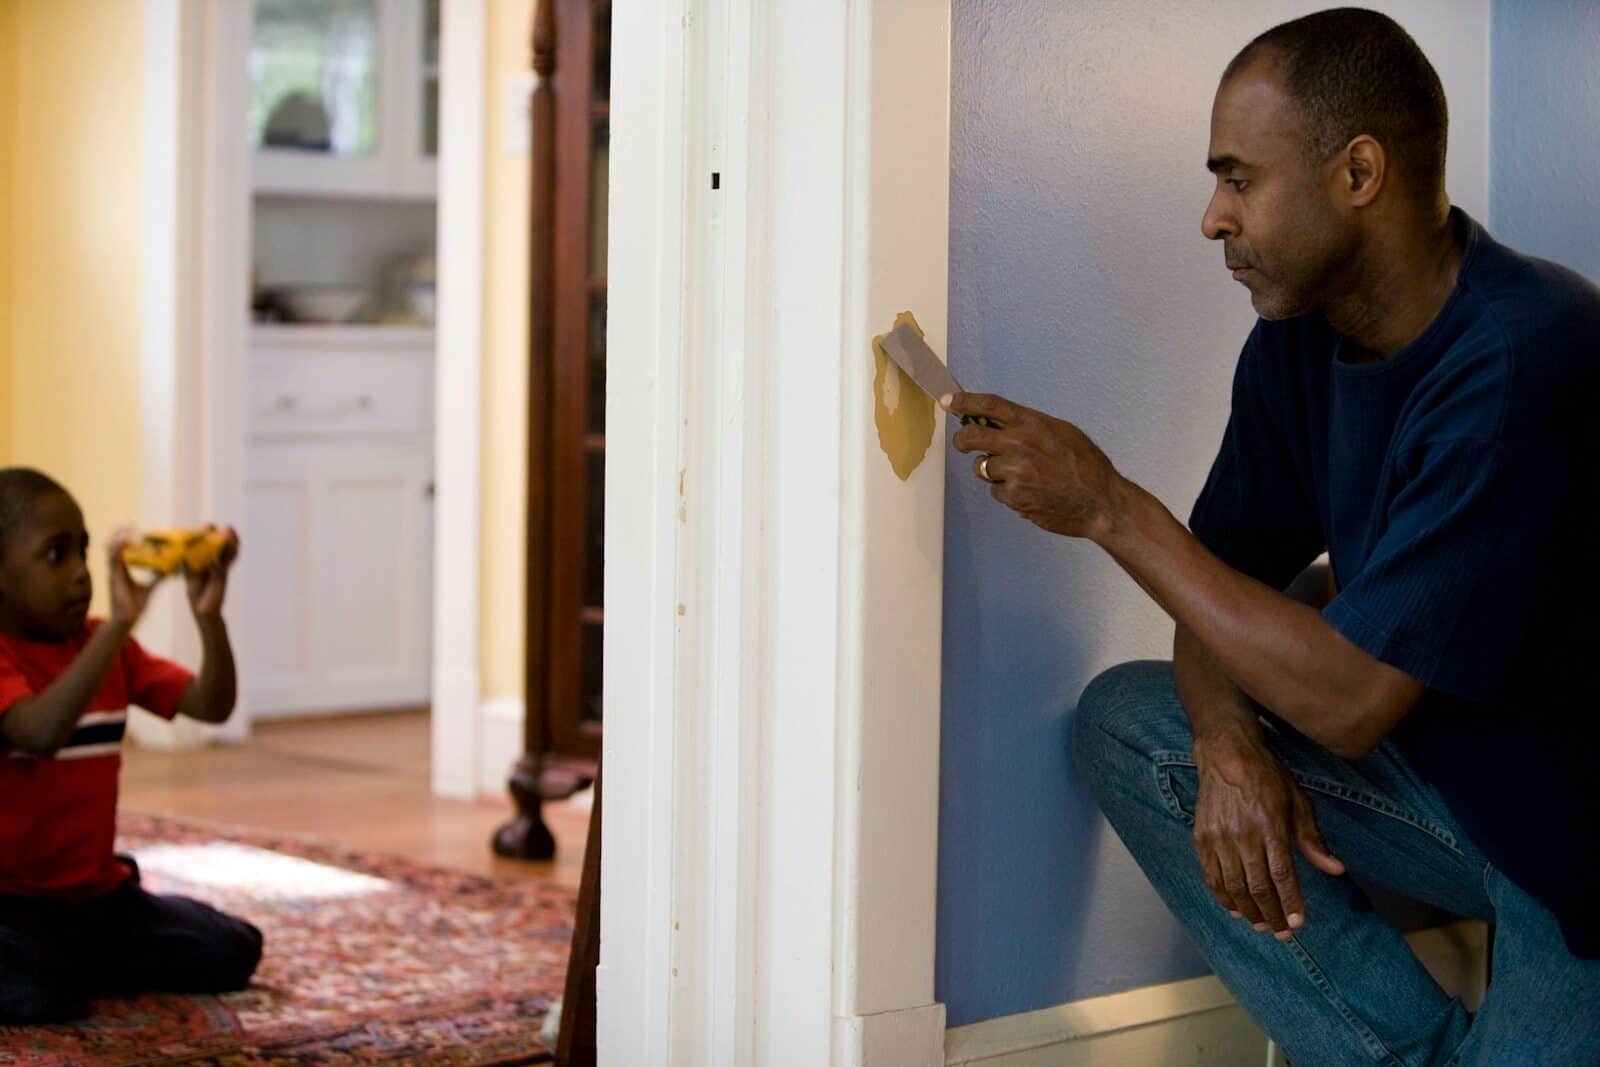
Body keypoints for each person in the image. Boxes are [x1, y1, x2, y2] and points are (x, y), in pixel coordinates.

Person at [943, 8, 1600, 1064]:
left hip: (1575, 848)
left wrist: (1108, 504)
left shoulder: (1531, 351)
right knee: (1128, 722)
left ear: (1358, 172)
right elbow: (1219, 582)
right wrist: (1226, 743)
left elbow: (1346, 701)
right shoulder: (1299, 343)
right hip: (1447, 789)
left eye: (1238, 179)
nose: (1212, 218)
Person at [0, 467, 261, 1023]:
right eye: (55, 556)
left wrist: (208, 617)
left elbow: (211, 704)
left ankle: (76, 959)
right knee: (38, 991)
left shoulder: (104, 645)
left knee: (234, 949)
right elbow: (39, 732)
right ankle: (68, 965)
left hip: (96, 899)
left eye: (83, 552)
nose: (79, 575)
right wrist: (120, 624)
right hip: (11, 901)